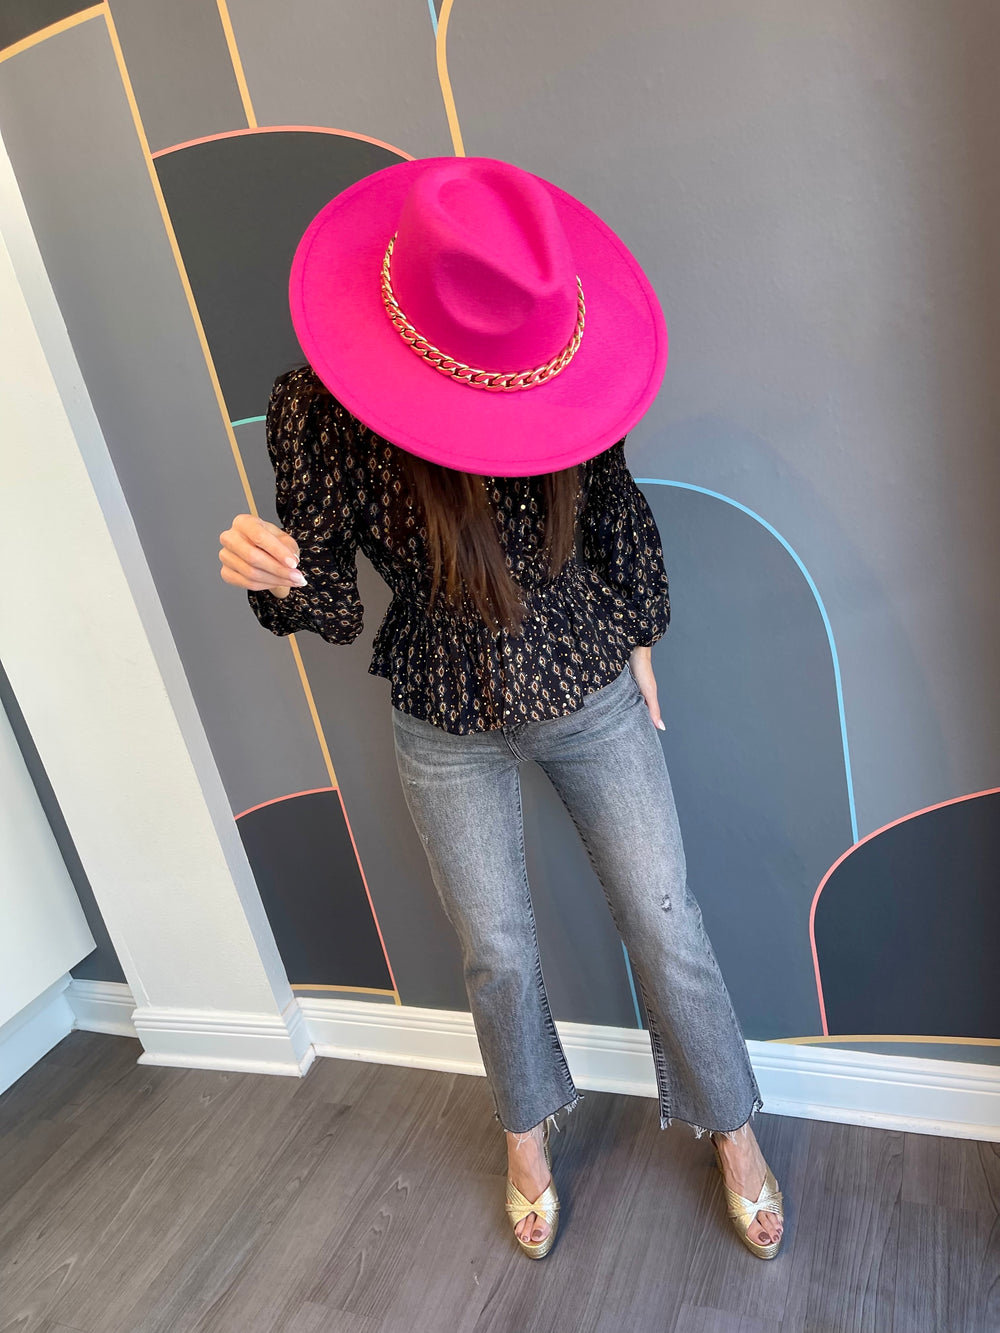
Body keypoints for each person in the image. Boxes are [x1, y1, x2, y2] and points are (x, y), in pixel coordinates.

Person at [219, 157, 784, 1260]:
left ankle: (733, 1128)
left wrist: (639, 631)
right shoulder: (320, 406)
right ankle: (524, 1133)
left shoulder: (568, 368)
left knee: (664, 919)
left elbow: (612, 510)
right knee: (497, 949)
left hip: (582, 676)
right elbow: (331, 599)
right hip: (441, 703)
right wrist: (276, 570)